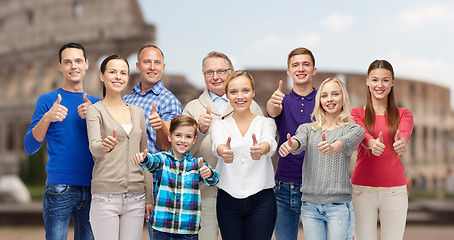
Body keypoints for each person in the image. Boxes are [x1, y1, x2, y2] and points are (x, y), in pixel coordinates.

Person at [182, 51, 262, 240]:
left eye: (221, 71)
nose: (215, 77)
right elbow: (182, 153)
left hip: (242, 194)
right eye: (209, 72)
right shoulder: (192, 108)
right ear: (203, 75)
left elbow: (262, 149)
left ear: (231, 72)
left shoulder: (252, 106)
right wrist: (200, 132)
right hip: (205, 194)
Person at [23, 42, 99, 240]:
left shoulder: (97, 104)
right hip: (60, 188)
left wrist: (94, 117)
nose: (73, 66)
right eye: (67, 62)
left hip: (94, 188)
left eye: (78, 61)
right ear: (60, 66)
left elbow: (110, 147)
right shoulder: (47, 100)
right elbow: (30, 147)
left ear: (87, 64)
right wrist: (47, 117)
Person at [279, 77, 365, 240]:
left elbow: (346, 141)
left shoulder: (354, 129)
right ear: (319, 101)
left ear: (343, 98)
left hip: (339, 207)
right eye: (324, 95)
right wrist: (292, 145)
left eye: (335, 94)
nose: (330, 99)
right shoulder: (308, 129)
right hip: (310, 207)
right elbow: (300, 139)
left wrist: (334, 147)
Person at [86, 55, 153, 240]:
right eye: (112, 72)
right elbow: (94, 147)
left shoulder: (138, 112)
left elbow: (145, 157)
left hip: (136, 198)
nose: (118, 77)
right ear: (102, 76)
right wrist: (104, 146)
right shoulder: (95, 110)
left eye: (123, 73)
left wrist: (149, 197)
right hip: (105, 197)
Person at [122, 45, 183, 238]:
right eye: (147, 62)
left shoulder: (169, 101)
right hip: (127, 181)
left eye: (157, 63)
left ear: (163, 67)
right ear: (138, 66)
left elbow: (170, 147)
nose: (152, 67)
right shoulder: (126, 100)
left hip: (157, 184)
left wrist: (161, 127)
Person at [351, 60, 413, 240]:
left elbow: (405, 130)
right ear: (367, 82)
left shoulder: (403, 113)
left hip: (395, 191)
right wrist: (371, 143)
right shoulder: (356, 114)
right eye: (375, 80)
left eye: (385, 80)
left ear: (392, 83)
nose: (380, 85)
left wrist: (401, 140)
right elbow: (359, 132)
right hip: (361, 190)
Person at [211, 70, 277, 240]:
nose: (240, 96)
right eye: (233, 92)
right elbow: (217, 145)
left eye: (245, 90)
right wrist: (223, 152)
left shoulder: (266, 123)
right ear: (227, 95)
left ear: (253, 92)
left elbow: (269, 141)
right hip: (228, 199)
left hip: (262, 199)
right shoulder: (219, 125)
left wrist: (261, 149)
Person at [131, 115, 219, 240]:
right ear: (169, 136)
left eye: (188, 137)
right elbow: (151, 162)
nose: (183, 140)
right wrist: (143, 158)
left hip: (187, 230)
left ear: (194, 140)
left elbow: (214, 179)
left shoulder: (197, 164)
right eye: (178, 135)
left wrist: (209, 173)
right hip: (162, 229)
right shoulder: (163, 159)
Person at [266, 47, 318, 240]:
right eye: (295, 65)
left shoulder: (325, 101)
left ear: (314, 70)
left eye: (306, 64)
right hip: (284, 185)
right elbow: (272, 111)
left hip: (317, 185)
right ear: (289, 71)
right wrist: (272, 103)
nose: (301, 68)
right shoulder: (282, 101)